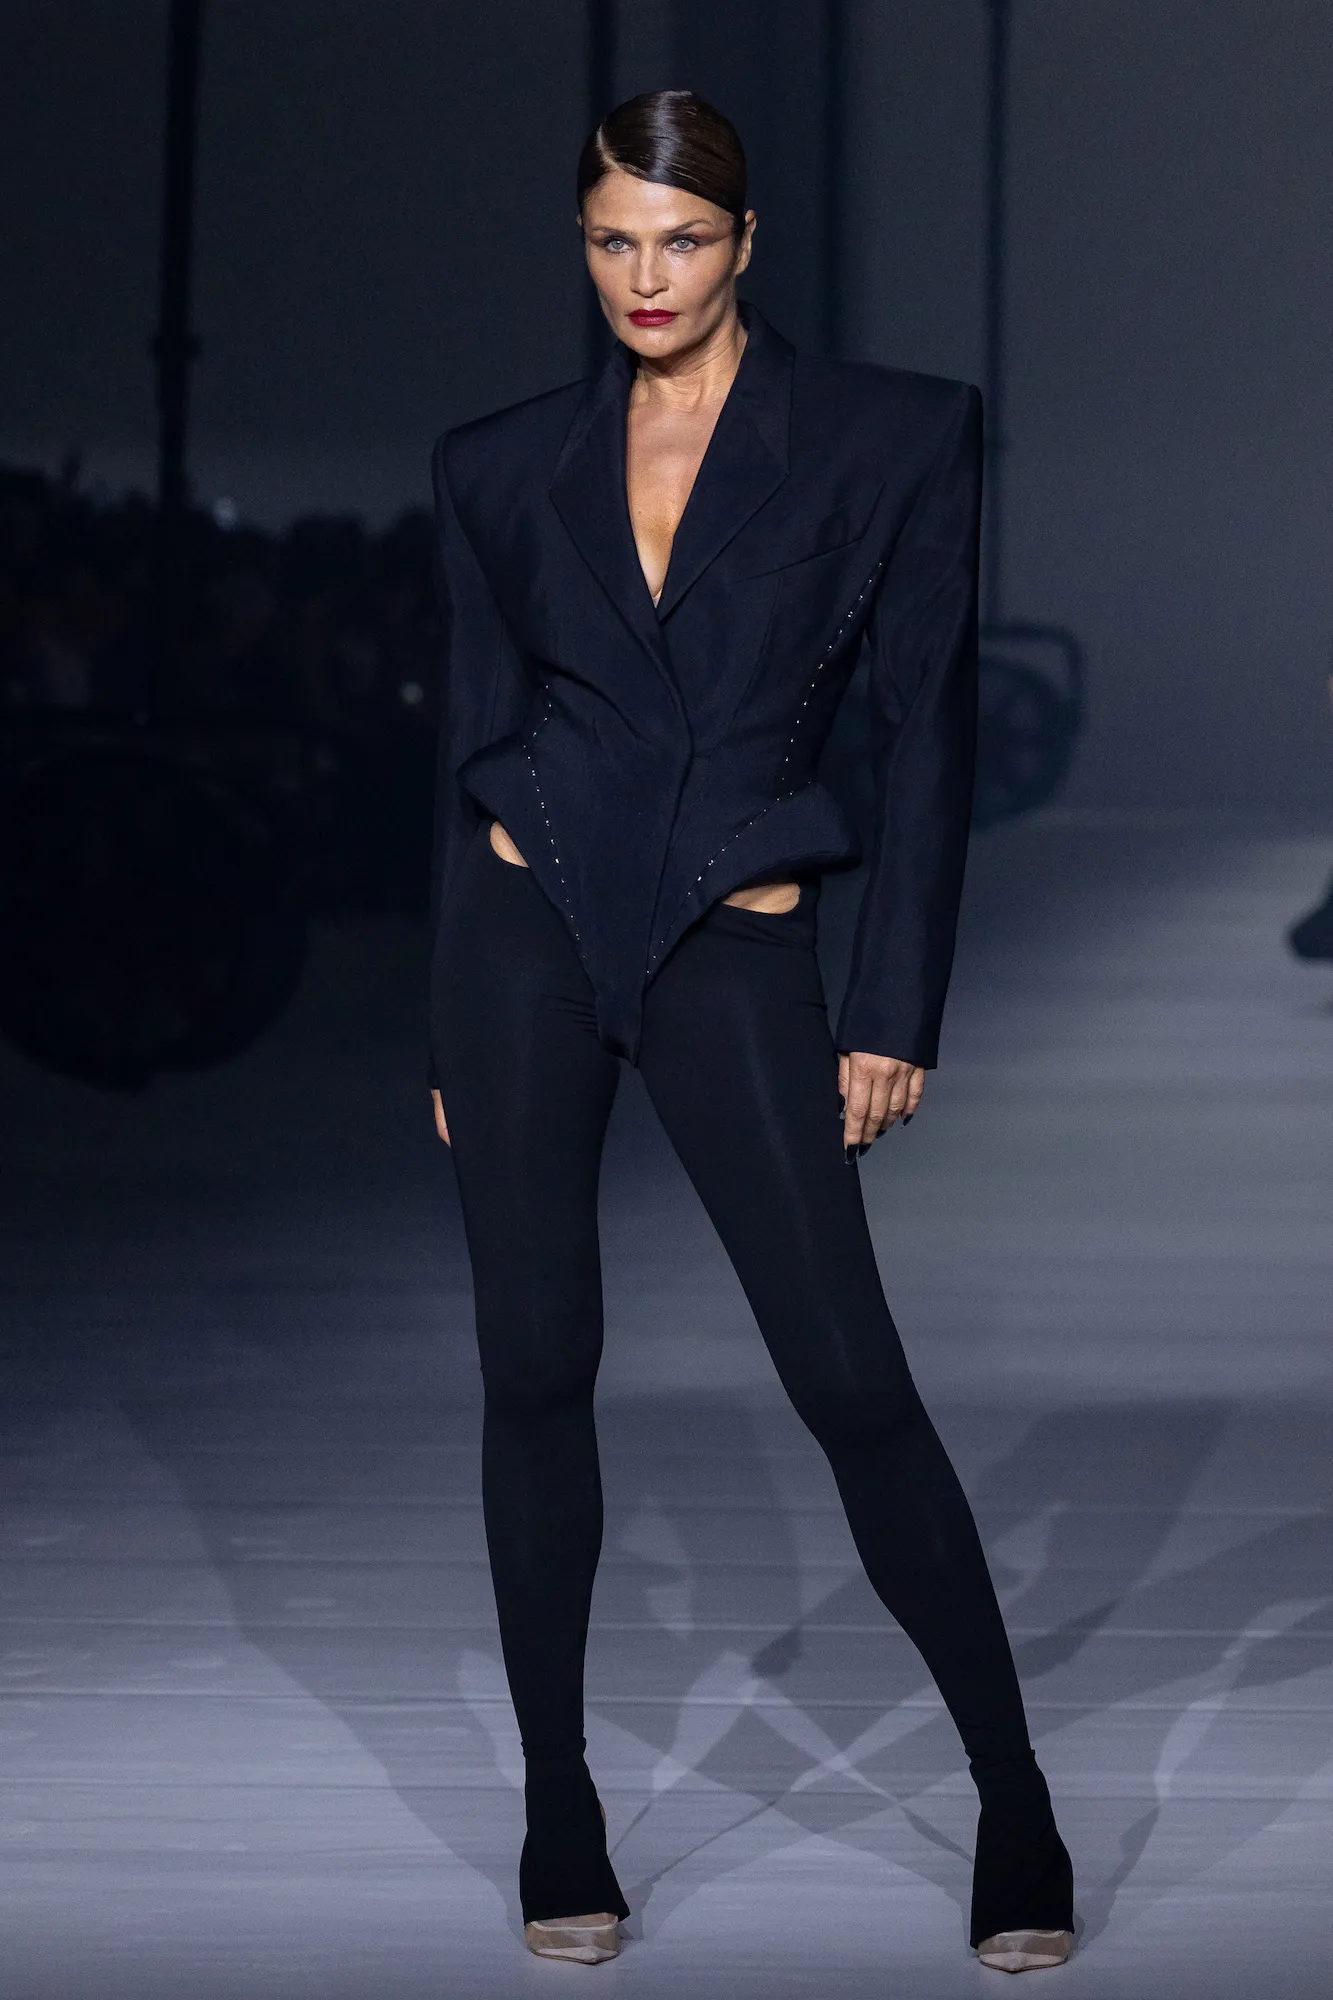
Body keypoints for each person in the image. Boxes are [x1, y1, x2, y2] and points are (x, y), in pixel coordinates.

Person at [426, 90, 1074, 1974]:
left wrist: (892, 1001)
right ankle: (560, 1805)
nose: (648, 277)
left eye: (683, 239)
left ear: (746, 242)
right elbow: (463, 737)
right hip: (525, 935)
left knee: (851, 1379)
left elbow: (929, 726)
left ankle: (1015, 1803)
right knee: (535, 1366)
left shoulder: (890, 433)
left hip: (737, 938)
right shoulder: (500, 463)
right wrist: (442, 1026)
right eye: (614, 241)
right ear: (583, 245)